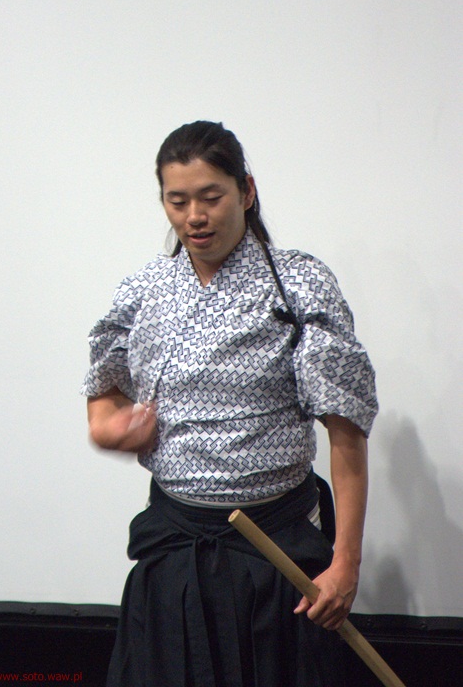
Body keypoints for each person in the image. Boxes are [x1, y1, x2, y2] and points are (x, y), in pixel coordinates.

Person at [82, 120, 378, 687]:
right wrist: (109, 428)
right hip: (176, 544)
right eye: (178, 201)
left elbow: (346, 431)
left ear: (246, 191)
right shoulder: (144, 290)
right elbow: (103, 390)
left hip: (276, 548)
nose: (194, 216)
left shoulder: (299, 284)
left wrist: (346, 562)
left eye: (211, 197)